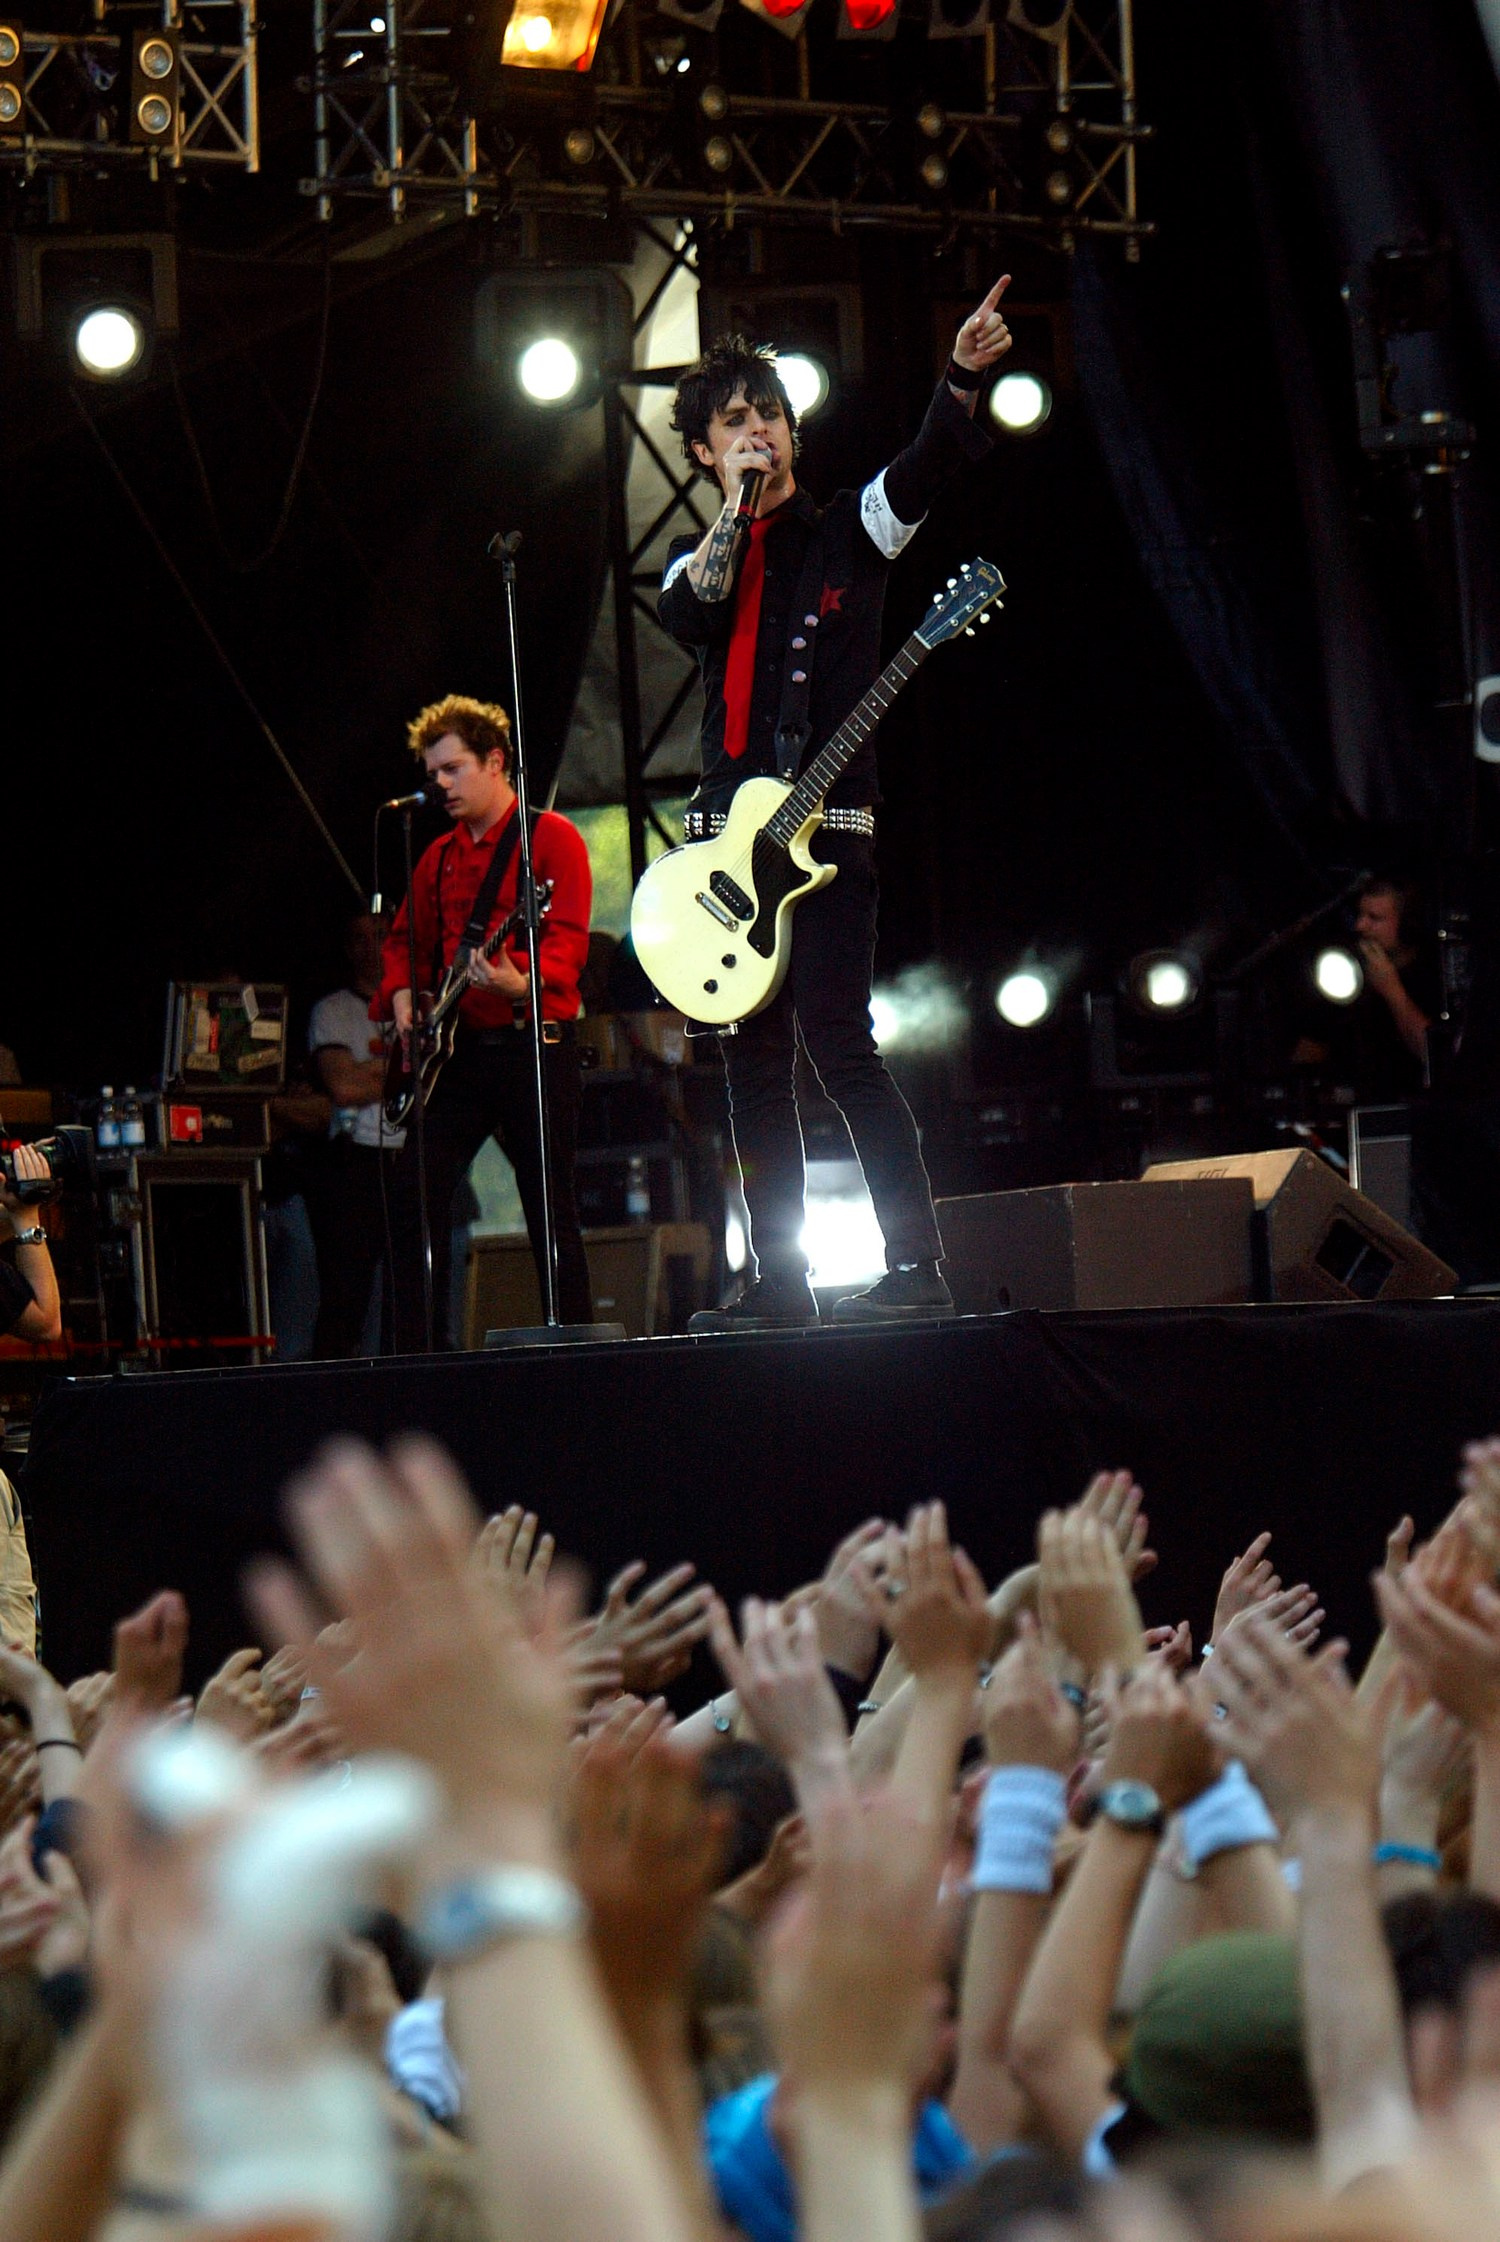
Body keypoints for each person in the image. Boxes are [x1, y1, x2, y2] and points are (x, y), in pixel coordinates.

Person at [660, 284, 1012, 1330]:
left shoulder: (851, 529)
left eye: (767, 413)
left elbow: (927, 465)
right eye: (733, 420)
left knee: (838, 1043)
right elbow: (697, 604)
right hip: (731, 850)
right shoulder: (698, 563)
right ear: (700, 451)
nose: (757, 430)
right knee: (751, 1066)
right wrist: (734, 504)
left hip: (830, 837)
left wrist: (959, 380)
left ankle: (916, 1261)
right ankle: (781, 1284)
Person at [377, 695, 593, 1346]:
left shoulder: (550, 838)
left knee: (548, 1205)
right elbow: (401, 945)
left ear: (495, 762)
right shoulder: (437, 855)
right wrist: (401, 997)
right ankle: (416, 1349)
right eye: (433, 773)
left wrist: (518, 980)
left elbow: (568, 944)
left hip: (533, 1046)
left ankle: (576, 1341)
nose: (439, 783)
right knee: (414, 1194)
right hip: (460, 1053)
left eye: (452, 768)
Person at [305, 912, 404, 1359]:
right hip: (357, 1164)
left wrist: (369, 1070)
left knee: (415, 1292)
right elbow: (343, 1087)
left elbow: (445, 1080)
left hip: (414, 1161)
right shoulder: (332, 1011)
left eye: (381, 937)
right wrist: (404, 1072)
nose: (372, 948)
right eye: (360, 939)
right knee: (346, 1296)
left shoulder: (421, 1004)